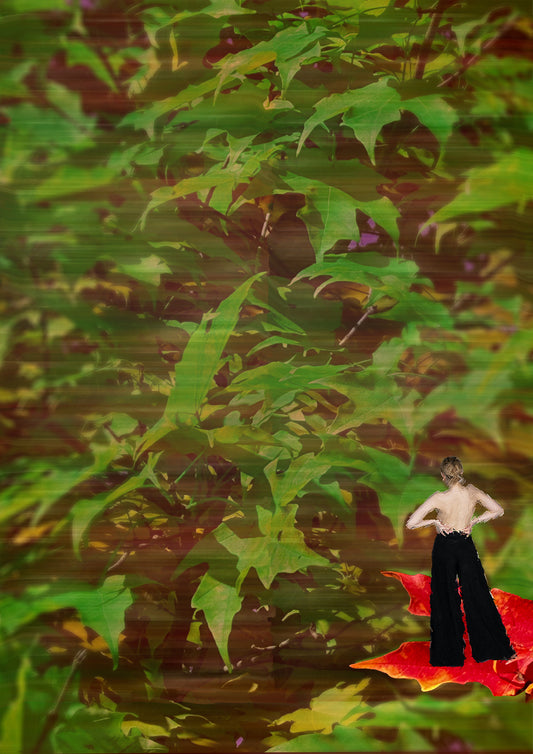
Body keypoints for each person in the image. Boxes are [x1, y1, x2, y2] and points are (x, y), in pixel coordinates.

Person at [406, 456, 515, 667]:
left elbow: (411, 523)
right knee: (478, 594)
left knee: (444, 597)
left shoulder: (439, 498)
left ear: (443, 476)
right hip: (465, 545)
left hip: (444, 547)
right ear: (461, 472)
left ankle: (448, 656)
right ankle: (495, 650)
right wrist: (475, 520)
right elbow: (498, 510)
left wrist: (435, 522)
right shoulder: (472, 492)